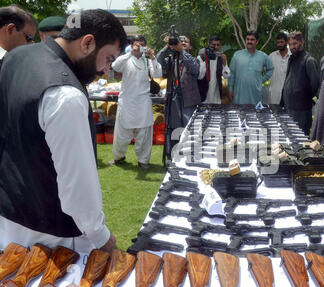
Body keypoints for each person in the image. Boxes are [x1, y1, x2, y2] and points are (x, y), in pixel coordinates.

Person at [0, 9, 128, 253]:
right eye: (109, 58)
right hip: (51, 236)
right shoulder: (65, 94)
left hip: (7, 218)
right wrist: (102, 237)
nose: (105, 69)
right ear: (88, 43)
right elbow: (77, 188)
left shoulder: (15, 57)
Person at [108, 35, 161, 170]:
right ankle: (118, 157)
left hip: (143, 103)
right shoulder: (126, 59)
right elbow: (115, 66)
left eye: (142, 45)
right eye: (137, 44)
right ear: (132, 46)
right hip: (127, 102)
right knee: (121, 132)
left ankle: (143, 160)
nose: (139, 47)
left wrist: (153, 57)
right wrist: (130, 53)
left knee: (144, 133)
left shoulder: (147, 61)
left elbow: (157, 73)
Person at [157, 34, 201, 160]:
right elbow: (159, 61)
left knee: (189, 129)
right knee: (174, 129)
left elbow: (195, 69)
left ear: (190, 46)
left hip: (188, 101)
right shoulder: (171, 59)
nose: (182, 43)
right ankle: (173, 156)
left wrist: (181, 51)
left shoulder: (193, 59)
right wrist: (167, 46)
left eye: (185, 42)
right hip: (174, 100)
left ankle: (190, 157)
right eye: (179, 42)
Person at [279, 31, 320, 136]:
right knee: (288, 138)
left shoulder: (309, 61)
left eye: (295, 44)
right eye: (290, 45)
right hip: (288, 108)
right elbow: (287, 80)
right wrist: (282, 103)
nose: (292, 47)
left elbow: (315, 85)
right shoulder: (291, 59)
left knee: (300, 141)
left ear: (302, 42)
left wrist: (309, 101)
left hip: (302, 111)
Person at [228, 30, 274, 105]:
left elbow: (271, 69)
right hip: (239, 95)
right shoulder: (237, 55)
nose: (249, 41)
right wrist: (230, 89)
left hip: (255, 94)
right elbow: (232, 73)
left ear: (257, 42)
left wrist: (261, 80)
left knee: (254, 115)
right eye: (248, 39)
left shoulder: (263, 56)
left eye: (252, 39)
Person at [198, 35, 230, 104]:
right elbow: (200, 76)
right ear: (209, 45)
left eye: (218, 45)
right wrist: (205, 60)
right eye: (213, 45)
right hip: (204, 96)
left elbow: (226, 76)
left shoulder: (221, 58)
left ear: (220, 46)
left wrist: (225, 63)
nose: (216, 47)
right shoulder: (201, 57)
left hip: (216, 96)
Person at [268, 32, 290, 105]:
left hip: (289, 96)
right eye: (278, 42)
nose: (279, 44)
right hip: (274, 95)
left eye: (282, 42)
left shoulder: (292, 56)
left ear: (286, 42)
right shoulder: (272, 56)